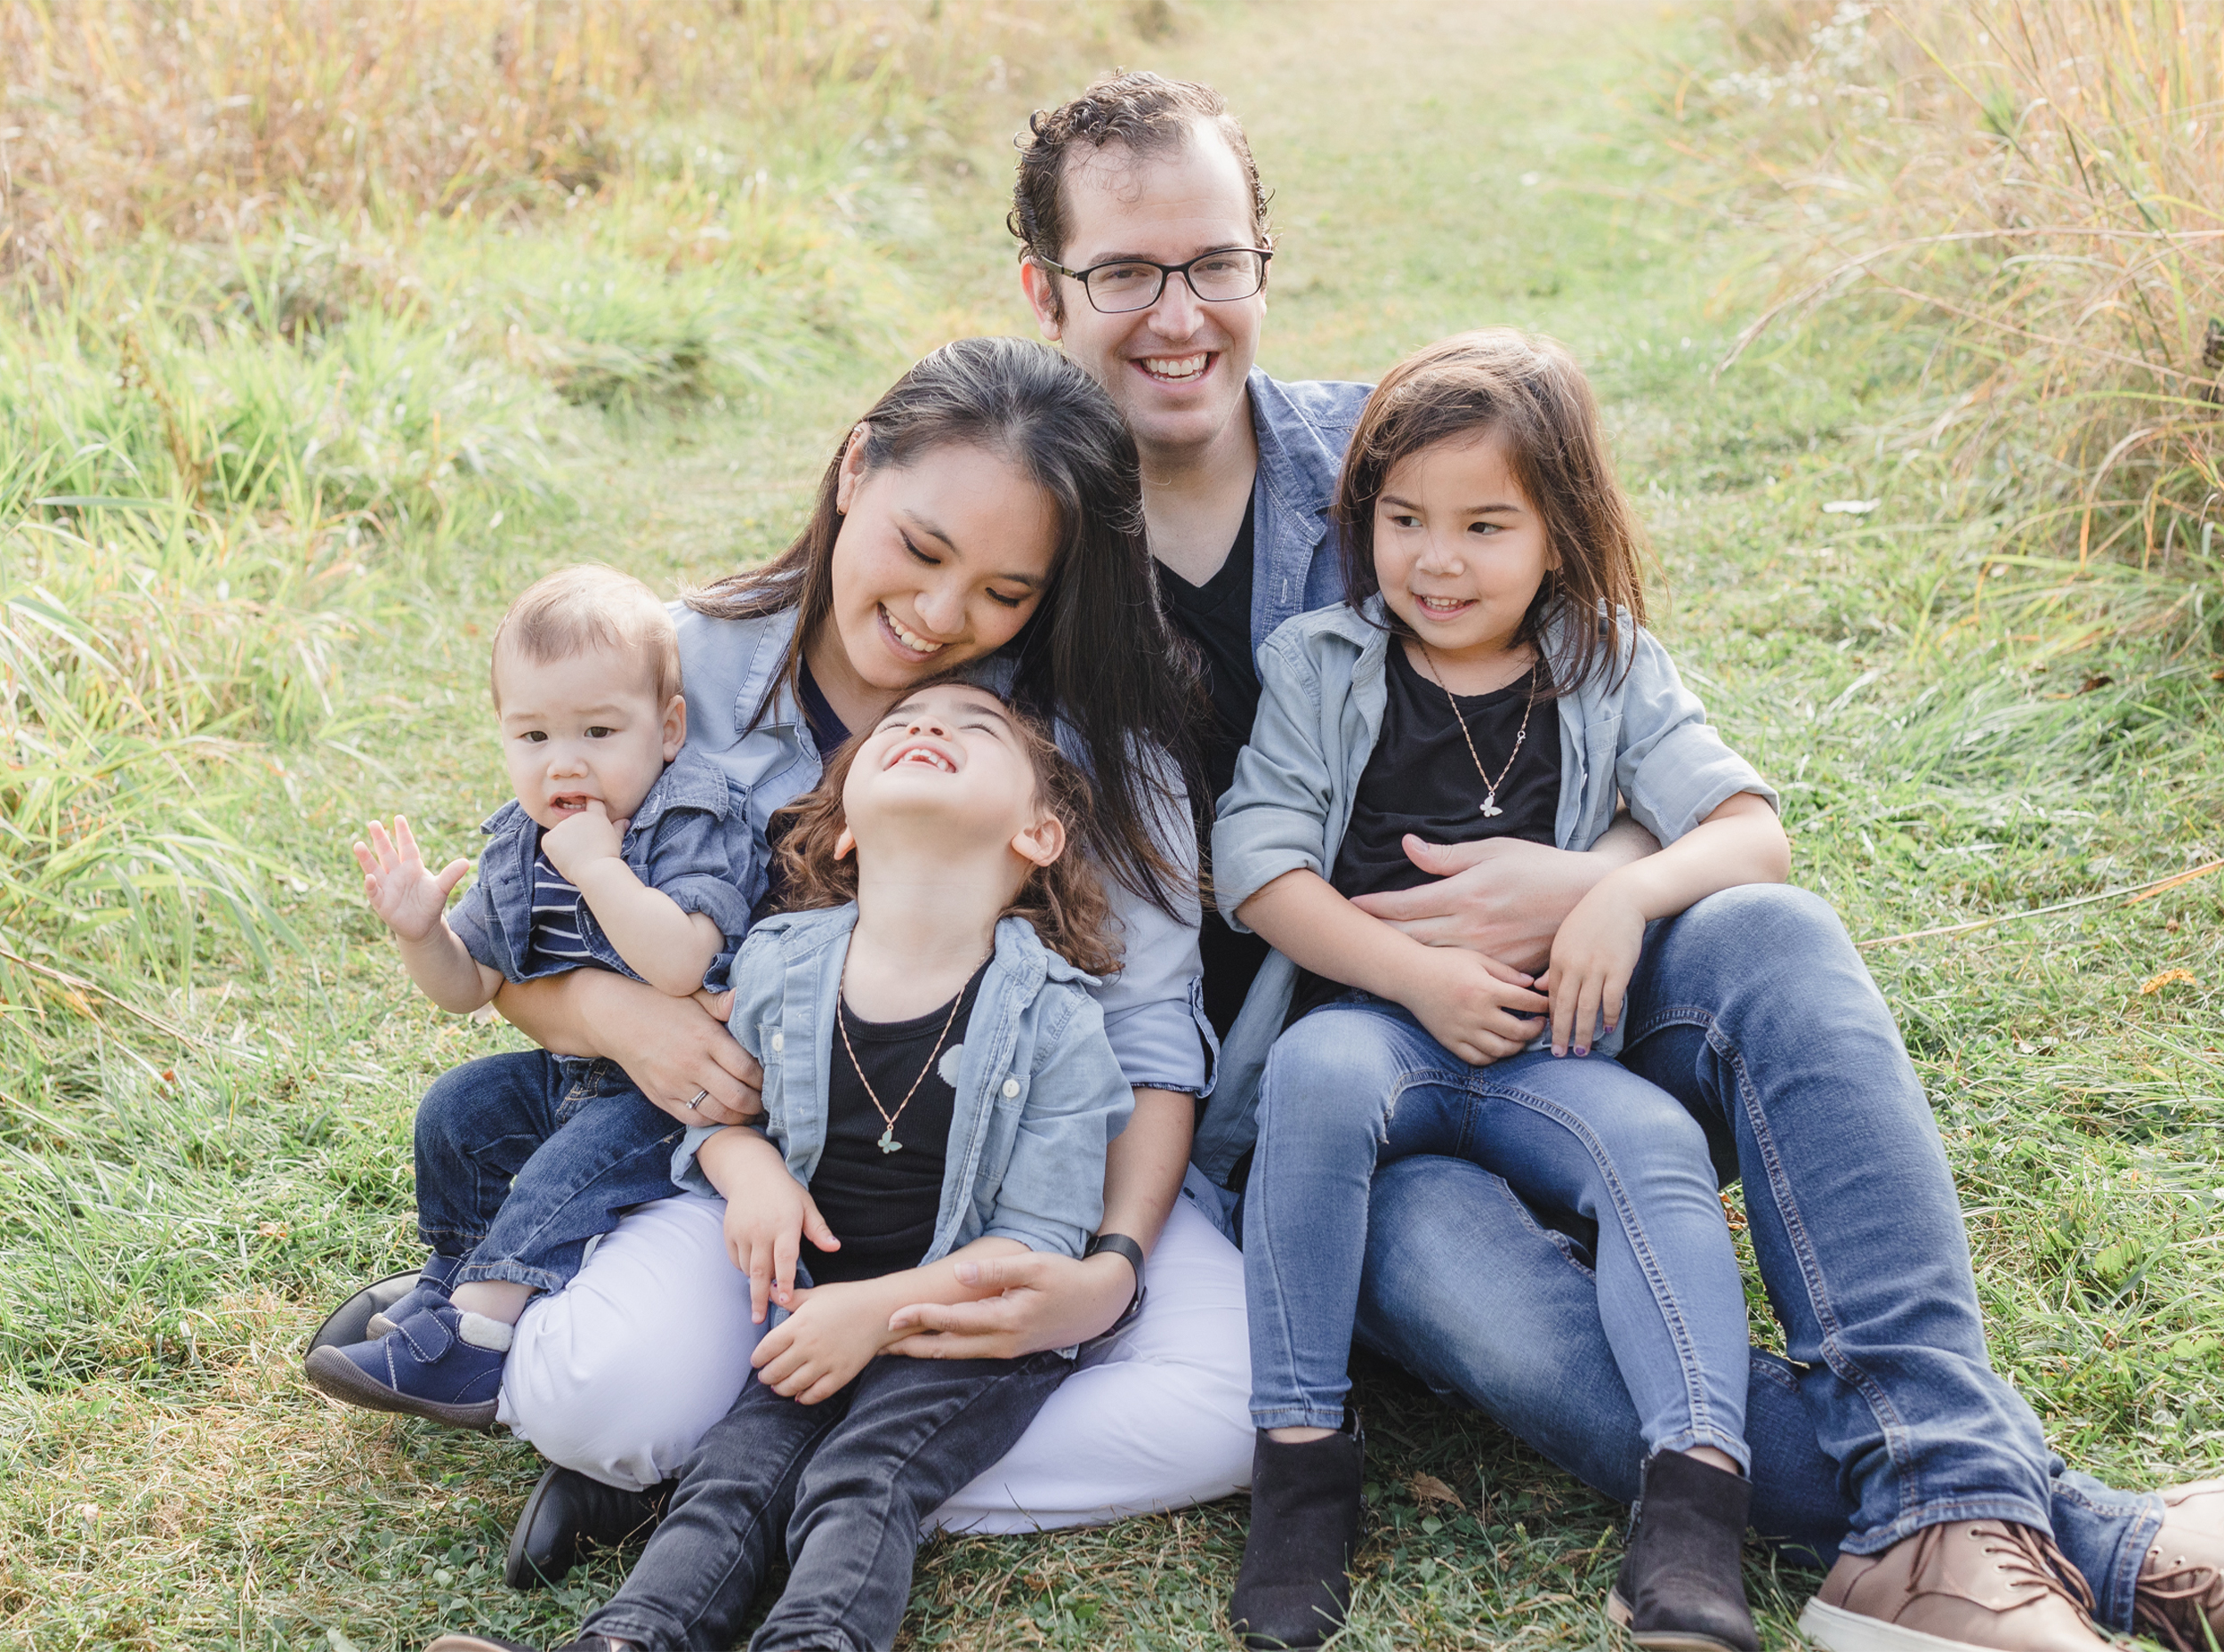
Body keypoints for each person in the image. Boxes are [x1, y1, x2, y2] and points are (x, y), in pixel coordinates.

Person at [1004, 68, 2224, 1652]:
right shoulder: (1013, 552)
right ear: (1046, 288)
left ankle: (1943, 1521)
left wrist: (1590, 882)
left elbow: (1628, 732)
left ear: (1261, 262)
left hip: (1569, 1012)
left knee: (1773, 936)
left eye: (1213, 261)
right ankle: (2090, 1542)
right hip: (1331, 1107)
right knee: (1524, 1331)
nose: (1179, 314)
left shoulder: (1391, 464)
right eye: (1124, 272)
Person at [310, 334, 1258, 1583]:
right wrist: (617, 1014)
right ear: (856, 467)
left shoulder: (1094, 745)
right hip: (761, 1185)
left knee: (1236, 1398)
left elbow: (1146, 1048)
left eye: (1003, 592)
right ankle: (727, 1436)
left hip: (1024, 1184)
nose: (937, 617)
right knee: (598, 1393)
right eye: (922, 551)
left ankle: (763, 1479)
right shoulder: (669, 667)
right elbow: (524, 942)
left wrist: (1108, 1268)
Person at [1214, 330, 1787, 1651]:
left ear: (1559, 532)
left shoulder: (1604, 657)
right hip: (1366, 1032)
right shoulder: (1323, 660)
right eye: (1404, 519)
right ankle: (1300, 1463)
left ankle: (1695, 1501)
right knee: (1318, 1071)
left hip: (1542, 1052)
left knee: (1647, 1140)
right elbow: (1255, 863)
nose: (1437, 559)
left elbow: (1750, 829)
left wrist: (1614, 892)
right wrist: (1415, 973)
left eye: (1485, 524)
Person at [423, 676, 1136, 1652]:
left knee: (864, 1477)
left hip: (962, 1334)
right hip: (806, 1305)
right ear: (844, 828)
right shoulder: (780, 962)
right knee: (731, 1477)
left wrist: (876, 1313)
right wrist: (748, 1170)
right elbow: (714, 1116)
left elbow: (1037, 1244)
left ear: (1037, 836)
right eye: (900, 725)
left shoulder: (1057, 1021)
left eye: (972, 729)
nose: (927, 725)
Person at [308, 566, 754, 1429]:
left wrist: (597, 866)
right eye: (534, 736)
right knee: (458, 1110)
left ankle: (476, 1343)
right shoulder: (522, 841)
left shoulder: (690, 815)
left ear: (667, 730)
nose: (565, 763)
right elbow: (468, 987)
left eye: (597, 730)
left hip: (671, 1098)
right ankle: (450, 1278)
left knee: (566, 1167)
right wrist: (420, 934)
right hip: (574, 1068)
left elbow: (680, 963)